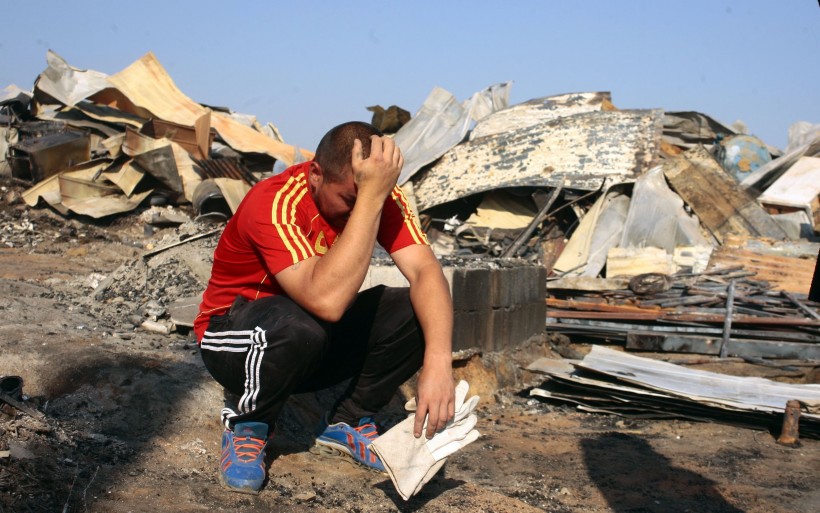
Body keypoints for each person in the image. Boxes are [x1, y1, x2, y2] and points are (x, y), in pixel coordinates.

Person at [193, 121, 456, 494]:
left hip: (307, 342)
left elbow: (426, 271)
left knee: (419, 311)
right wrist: (368, 201)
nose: (357, 210)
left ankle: (347, 420)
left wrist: (439, 361)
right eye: (349, 199)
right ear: (315, 174)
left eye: (369, 196)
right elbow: (327, 303)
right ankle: (248, 426)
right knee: (300, 324)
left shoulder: (375, 195)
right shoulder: (274, 202)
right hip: (237, 338)